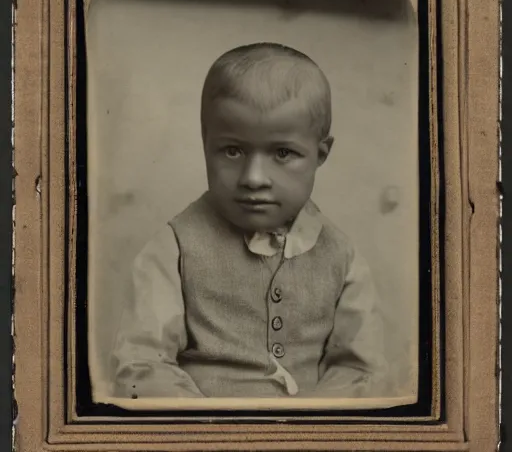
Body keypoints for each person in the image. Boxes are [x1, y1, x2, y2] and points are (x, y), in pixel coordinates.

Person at [111, 43, 387, 399]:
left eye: (283, 153)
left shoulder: (341, 256)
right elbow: (142, 364)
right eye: (232, 150)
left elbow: (360, 368)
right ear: (205, 144)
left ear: (320, 155)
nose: (254, 177)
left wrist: (311, 430)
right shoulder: (174, 247)